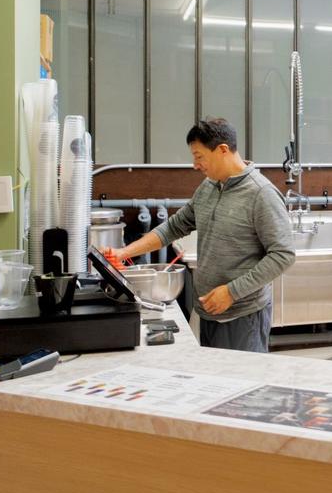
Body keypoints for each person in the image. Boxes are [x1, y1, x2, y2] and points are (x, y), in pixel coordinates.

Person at [108, 118, 295, 352]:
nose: (195, 165)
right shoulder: (209, 186)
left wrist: (231, 292)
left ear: (223, 150)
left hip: (242, 315)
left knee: (240, 382)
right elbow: (172, 227)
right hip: (209, 311)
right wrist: (123, 252)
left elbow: (283, 255)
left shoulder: (261, 194)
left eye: (199, 156)